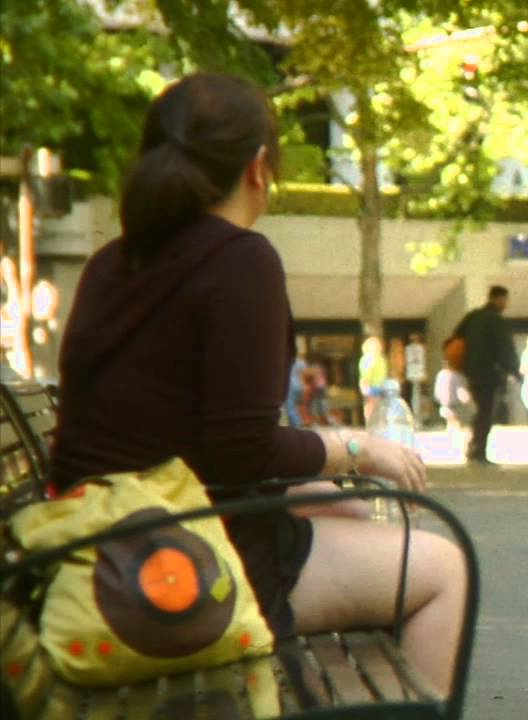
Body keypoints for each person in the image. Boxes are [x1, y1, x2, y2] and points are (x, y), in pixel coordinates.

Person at [47, 74, 465, 697]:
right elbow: (241, 448)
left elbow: (198, 432)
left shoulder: (116, 261)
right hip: (185, 555)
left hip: (107, 530)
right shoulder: (241, 261)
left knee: (345, 504)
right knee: (444, 568)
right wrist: (358, 447)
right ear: (258, 166)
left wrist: (323, 467)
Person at [452, 285, 519, 465]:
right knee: (486, 412)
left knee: (482, 410)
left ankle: (474, 446)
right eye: (505, 300)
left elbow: (455, 339)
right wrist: (515, 371)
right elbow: (505, 349)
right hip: (490, 373)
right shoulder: (495, 320)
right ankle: (478, 449)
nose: (505, 304)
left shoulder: (473, 316)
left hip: (471, 371)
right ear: (499, 299)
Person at [433, 364, 474, 432]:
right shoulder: (456, 375)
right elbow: (462, 392)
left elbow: (437, 392)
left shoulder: (441, 375)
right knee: (458, 425)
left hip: (444, 404)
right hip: (456, 405)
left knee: (451, 424)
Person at [358, 336, 388, 425]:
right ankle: (380, 424)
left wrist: (364, 385)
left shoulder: (367, 358)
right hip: (382, 386)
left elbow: (366, 374)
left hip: (371, 386)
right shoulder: (382, 359)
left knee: (370, 406)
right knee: (380, 407)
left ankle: (371, 424)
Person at [284, 357, 306, 426]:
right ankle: (297, 422)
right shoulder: (302, 362)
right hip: (298, 385)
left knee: (290, 406)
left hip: (290, 385)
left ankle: (296, 423)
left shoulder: (287, 360)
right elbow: (304, 375)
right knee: (296, 406)